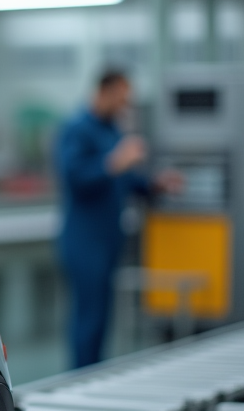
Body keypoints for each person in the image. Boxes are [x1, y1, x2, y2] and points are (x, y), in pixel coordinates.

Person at [55, 69, 180, 369]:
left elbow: (124, 180)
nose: (125, 106)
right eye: (121, 98)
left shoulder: (112, 131)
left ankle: (94, 374)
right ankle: (79, 380)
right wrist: (114, 161)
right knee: (88, 318)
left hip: (108, 241)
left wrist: (153, 185)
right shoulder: (77, 128)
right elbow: (75, 178)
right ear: (105, 91)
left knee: (102, 319)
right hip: (84, 243)